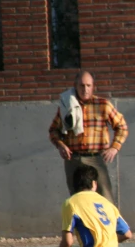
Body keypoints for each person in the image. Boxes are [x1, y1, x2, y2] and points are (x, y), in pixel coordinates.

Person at [48, 70, 128, 204]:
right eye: (82, 85)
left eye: (88, 85)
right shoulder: (66, 106)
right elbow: (53, 130)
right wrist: (60, 145)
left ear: (93, 87)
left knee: (105, 199)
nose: (85, 89)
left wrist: (115, 148)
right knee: (77, 200)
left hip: (95, 158)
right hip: (73, 158)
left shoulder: (103, 105)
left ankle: (111, 225)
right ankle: (82, 225)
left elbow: (122, 127)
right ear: (75, 86)